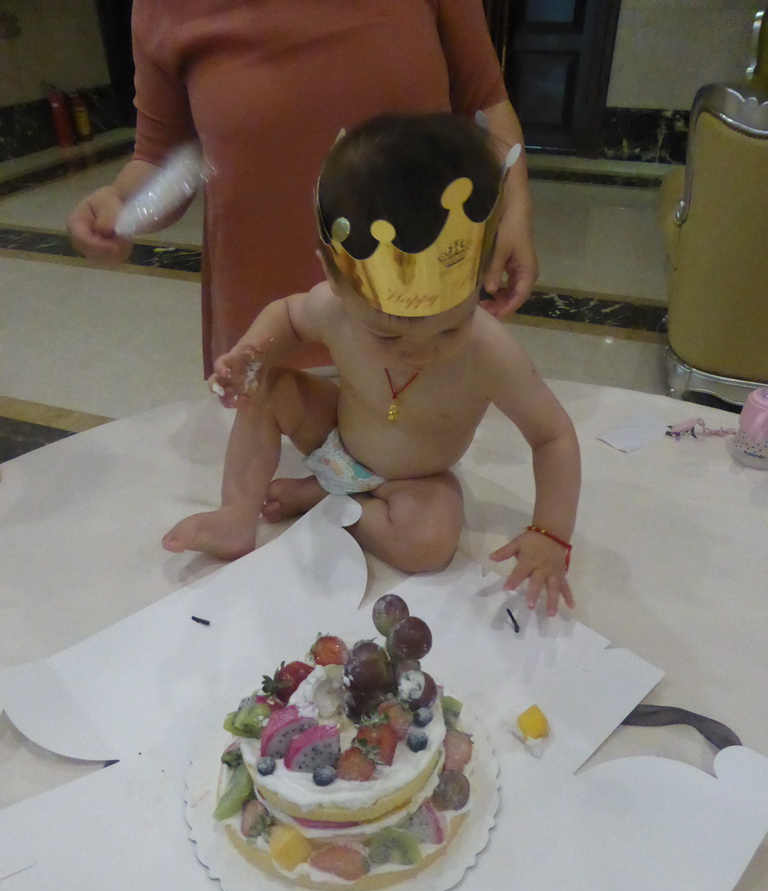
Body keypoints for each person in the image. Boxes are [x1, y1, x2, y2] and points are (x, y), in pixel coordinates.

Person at [162, 113, 580, 615]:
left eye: (450, 327)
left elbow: (552, 436)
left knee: (429, 543)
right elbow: (288, 319)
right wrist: (254, 354)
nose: (419, 351)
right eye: (386, 333)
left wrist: (550, 534)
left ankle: (322, 499)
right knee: (270, 389)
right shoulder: (334, 306)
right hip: (334, 432)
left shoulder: (487, 353)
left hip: (415, 480)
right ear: (336, 280)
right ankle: (236, 514)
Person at [66, 0, 537, 377]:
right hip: (265, 323)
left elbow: (486, 104)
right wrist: (120, 202)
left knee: (419, 476)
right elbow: (161, 156)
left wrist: (515, 213)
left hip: (420, 313)